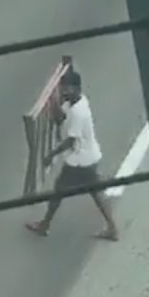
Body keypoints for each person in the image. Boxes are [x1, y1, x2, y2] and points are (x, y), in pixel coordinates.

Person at [25, 70, 119, 241]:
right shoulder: (76, 102)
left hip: (79, 161)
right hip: (88, 159)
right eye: (62, 89)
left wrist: (51, 155)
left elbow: (70, 141)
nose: (64, 92)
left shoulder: (79, 112)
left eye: (67, 89)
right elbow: (61, 117)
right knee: (95, 192)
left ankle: (44, 225)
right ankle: (112, 228)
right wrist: (53, 105)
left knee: (59, 191)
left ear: (76, 88)